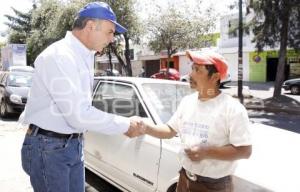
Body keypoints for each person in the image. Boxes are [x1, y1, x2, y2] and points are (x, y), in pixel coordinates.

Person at [20, 2, 143, 192]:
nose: (112, 39)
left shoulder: (84, 55)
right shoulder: (60, 55)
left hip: (71, 144)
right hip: (49, 148)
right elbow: (77, 114)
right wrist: (125, 125)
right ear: (91, 26)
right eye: (110, 32)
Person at [142, 51, 252, 192]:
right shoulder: (187, 102)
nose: (190, 75)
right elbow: (170, 130)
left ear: (215, 77)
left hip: (214, 186)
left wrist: (207, 152)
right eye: (192, 68)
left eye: (197, 70)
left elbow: (244, 151)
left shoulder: (233, 108)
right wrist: (145, 127)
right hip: (184, 178)